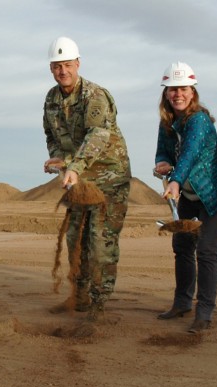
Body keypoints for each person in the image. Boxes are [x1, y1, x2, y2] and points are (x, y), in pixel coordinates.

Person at [43, 37, 132, 321]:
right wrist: (58, 159)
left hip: (108, 179)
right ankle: (79, 298)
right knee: (75, 240)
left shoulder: (95, 96)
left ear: (77, 64)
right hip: (78, 180)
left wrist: (76, 166)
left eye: (67, 65)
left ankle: (98, 306)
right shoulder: (51, 99)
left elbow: (98, 136)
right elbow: (52, 137)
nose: (63, 71)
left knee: (100, 244)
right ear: (51, 68)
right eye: (57, 66)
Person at [154, 62, 217, 333]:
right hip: (192, 194)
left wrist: (176, 180)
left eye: (182, 89)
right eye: (172, 89)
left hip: (216, 194)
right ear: (166, 93)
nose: (177, 94)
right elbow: (163, 151)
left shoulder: (199, 120)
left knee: (206, 249)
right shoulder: (168, 122)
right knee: (182, 245)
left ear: (192, 92)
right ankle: (182, 303)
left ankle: (204, 313)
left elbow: (190, 152)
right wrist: (163, 163)